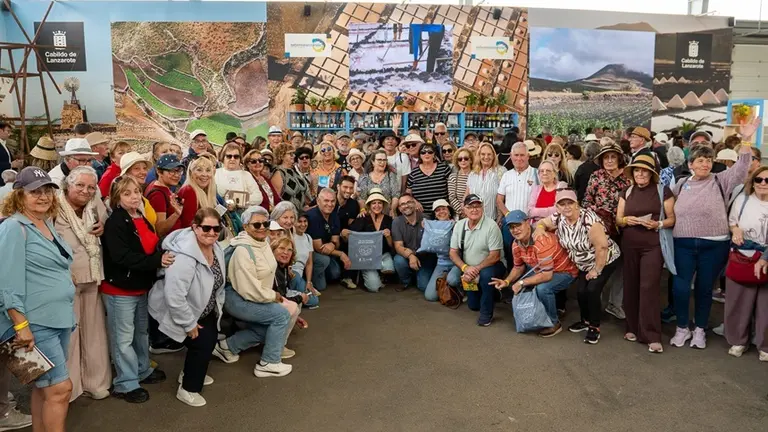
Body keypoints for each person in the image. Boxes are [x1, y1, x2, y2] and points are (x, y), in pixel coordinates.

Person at [0, 167, 74, 431]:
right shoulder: (13, 228)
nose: (42, 197)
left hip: (58, 320)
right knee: (60, 389)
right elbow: (7, 283)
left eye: (47, 191)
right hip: (35, 324)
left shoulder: (45, 224)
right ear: (20, 196)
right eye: (35, 192)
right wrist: (21, 326)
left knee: (44, 388)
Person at [670, 144, 751, 349]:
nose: (705, 164)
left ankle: (699, 329)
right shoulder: (680, 184)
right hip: (683, 244)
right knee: (680, 286)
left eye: (708, 160)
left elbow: (741, 168)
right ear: (690, 164)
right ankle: (681, 327)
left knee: (704, 288)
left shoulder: (720, 180)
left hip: (714, 245)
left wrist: (747, 141)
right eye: (700, 160)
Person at [102, 176, 172, 403]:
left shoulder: (140, 216)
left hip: (140, 285)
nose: (133, 197)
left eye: (135, 192)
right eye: (126, 193)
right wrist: (157, 262)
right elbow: (122, 257)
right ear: (117, 198)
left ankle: (142, 369)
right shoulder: (115, 222)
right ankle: (126, 382)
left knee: (141, 333)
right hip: (120, 288)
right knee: (122, 338)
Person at [148, 208, 225, 407]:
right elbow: (174, 296)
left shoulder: (216, 248)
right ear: (194, 228)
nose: (211, 232)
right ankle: (188, 389)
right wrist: (188, 323)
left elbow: (219, 282)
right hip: (185, 310)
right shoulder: (183, 256)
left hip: (204, 307)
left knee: (208, 341)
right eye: (206, 228)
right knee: (201, 343)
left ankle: (189, 373)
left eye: (216, 228)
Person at [212, 206, 294, 377]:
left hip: (253, 296)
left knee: (270, 329)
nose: (262, 227)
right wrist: (273, 297)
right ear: (245, 227)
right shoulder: (243, 250)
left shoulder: (263, 243)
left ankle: (227, 347)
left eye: (266, 223)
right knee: (281, 316)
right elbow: (248, 288)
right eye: (256, 225)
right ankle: (269, 362)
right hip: (238, 299)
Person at [534, 189, 621, 344]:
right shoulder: (558, 217)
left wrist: (596, 270)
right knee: (581, 291)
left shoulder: (589, 219)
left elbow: (601, 247)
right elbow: (541, 223)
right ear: (557, 206)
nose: (566, 207)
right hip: (582, 262)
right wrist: (540, 230)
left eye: (570, 203)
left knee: (592, 290)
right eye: (562, 204)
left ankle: (594, 327)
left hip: (604, 259)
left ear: (577, 204)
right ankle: (585, 321)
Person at [55, 166, 111, 401]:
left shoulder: (95, 203)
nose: (86, 191)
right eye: (80, 185)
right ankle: (70, 386)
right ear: (68, 185)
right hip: (65, 279)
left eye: (90, 187)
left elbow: (105, 222)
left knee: (94, 331)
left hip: (93, 275)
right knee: (69, 335)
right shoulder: (53, 206)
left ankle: (95, 381)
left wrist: (103, 227)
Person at [615, 154, 675, 353]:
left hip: (653, 245)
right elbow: (618, 219)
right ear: (632, 173)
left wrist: (658, 223)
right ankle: (632, 327)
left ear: (652, 173)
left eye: (644, 171)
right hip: (630, 244)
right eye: (637, 170)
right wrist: (627, 221)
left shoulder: (662, 191)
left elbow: (672, 219)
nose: (640, 173)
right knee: (630, 285)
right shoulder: (627, 190)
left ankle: (651, 335)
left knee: (649, 287)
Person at [490, 210, 578, 337]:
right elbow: (518, 267)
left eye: (518, 225)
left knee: (542, 289)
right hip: (543, 269)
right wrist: (507, 281)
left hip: (565, 271)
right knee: (525, 285)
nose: (515, 230)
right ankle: (542, 314)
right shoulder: (516, 244)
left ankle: (554, 323)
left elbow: (547, 276)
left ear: (527, 222)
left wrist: (521, 282)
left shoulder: (541, 241)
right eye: (511, 227)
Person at [583, 142, 631, 320]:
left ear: (619, 158)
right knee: (599, 263)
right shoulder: (596, 176)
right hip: (599, 228)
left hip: (621, 228)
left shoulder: (627, 178)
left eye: (613, 157)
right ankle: (596, 301)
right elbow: (586, 201)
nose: (609, 160)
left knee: (620, 267)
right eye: (606, 157)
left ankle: (615, 303)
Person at [726, 167, 768, 361]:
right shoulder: (742, 200)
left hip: (766, 257)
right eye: (759, 179)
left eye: (767, 180)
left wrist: (765, 257)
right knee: (739, 301)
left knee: (765, 305)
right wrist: (735, 230)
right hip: (743, 256)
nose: (763, 184)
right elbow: (732, 222)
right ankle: (738, 340)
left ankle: (765, 344)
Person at [447, 194, 506, 326]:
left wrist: (476, 269)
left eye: (478, 206)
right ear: (464, 209)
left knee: (486, 276)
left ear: (482, 207)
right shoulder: (459, 225)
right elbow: (453, 253)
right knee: (473, 306)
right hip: (469, 267)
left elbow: (495, 256)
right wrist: (465, 268)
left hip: (491, 266)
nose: (474, 209)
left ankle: (486, 315)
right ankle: (493, 294)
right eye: (470, 207)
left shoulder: (491, 226)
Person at [271, 202, 319, 308]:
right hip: (274, 274)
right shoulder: (272, 232)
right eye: (285, 217)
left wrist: (309, 281)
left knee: (313, 298)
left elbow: (307, 261)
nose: (289, 221)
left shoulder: (290, 231)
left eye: (292, 217)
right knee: (313, 301)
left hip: (289, 272)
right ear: (277, 217)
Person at [345, 190, 395, 292]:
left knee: (389, 268)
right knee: (374, 287)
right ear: (369, 205)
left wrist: (388, 236)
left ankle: (379, 274)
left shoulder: (389, 220)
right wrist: (344, 233)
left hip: (383, 255)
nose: (377, 206)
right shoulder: (362, 218)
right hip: (367, 258)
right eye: (374, 203)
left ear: (383, 205)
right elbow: (351, 237)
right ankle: (367, 274)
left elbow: (391, 245)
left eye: (379, 203)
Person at [307, 188, 351, 290]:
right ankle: (308, 278)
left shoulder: (334, 216)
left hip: (328, 251)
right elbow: (319, 248)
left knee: (335, 274)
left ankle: (321, 273)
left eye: (332, 201)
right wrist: (341, 254)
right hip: (311, 253)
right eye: (326, 201)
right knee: (324, 262)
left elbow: (336, 242)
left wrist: (332, 244)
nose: (330, 204)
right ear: (318, 201)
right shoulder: (313, 216)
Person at [392, 193, 435, 293]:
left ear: (415, 204)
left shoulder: (426, 219)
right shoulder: (397, 222)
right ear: (399, 208)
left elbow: (433, 243)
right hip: (406, 256)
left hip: (425, 257)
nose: (406, 206)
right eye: (402, 204)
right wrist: (411, 256)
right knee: (398, 260)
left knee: (423, 287)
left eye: (409, 202)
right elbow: (398, 246)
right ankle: (405, 281)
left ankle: (418, 276)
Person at [270, 237, 304, 339]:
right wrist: (300, 298)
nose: (286, 252)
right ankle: (279, 345)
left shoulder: (284, 267)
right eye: (281, 248)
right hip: (266, 305)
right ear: (273, 250)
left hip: (275, 301)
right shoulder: (273, 268)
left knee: (297, 302)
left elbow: (283, 295)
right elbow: (280, 300)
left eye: (289, 250)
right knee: (295, 305)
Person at [423, 200, 456, 301]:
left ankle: (459, 290)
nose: (441, 212)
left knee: (453, 280)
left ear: (449, 211)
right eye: (437, 210)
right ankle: (448, 289)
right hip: (441, 263)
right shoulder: (432, 227)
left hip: (457, 263)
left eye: (444, 209)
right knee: (430, 296)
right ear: (435, 214)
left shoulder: (458, 225)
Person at [144, 154, 185, 237]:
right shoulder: (158, 195)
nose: (177, 175)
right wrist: (176, 214)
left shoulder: (162, 187)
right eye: (172, 171)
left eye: (179, 171)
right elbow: (159, 230)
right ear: (159, 172)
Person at [406, 143, 451, 218]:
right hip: (422, 215)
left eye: (430, 152)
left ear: (434, 154)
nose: (426, 154)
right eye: (423, 152)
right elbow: (408, 193)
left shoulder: (444, 168)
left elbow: (451, 190)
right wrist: (414, 202)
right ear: (420, 155)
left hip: (442, 214)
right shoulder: (414, 173)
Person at [466, 143, 507, 222]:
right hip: (474, 219)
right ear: (479, 156)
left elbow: (504, 198)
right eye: (483, 154)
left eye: (489, 154)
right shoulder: (472, 173)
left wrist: (500, 217)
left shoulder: (501, 171)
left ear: (493, 156)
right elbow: (467, 196)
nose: (486, 157)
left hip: (493, 219)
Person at [215, 143, 262, 211]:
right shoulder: (215, 173)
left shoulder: (246, 175)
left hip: (242, 215)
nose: (232, 159)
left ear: (240, 159)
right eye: (229, 156)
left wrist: (236, 200)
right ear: (223, 157)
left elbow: (258, 197)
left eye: (236, 156)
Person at [177, 157, 218, 229]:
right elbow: (188, 226)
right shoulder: (189, 191)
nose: (204, 174)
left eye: (208, 170)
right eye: (199, 170)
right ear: (191, 173)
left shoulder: (205, 191)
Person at [357, 150, 400, 216]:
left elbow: (395, 195)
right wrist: (362, 210)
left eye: (384, 160)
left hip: (388, 213)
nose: (382, 162)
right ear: (373, 162)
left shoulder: (391, 175)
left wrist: (393, 209)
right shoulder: (364, 177)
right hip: (369, 214)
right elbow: (362, 197)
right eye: (379, 160)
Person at [271, 145, 311, 213]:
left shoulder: (294, 171)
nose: (293, 156)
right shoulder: (279, 173)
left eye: (293, 153)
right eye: (290, 154)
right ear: (282, 156)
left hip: (301, 213)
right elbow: (276, 199)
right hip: (287, 215)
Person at [448, 147, 473, 218]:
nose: (463, 161)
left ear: (470, 160)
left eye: (466, 158)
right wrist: (463, 211)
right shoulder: (453, 177)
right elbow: (452, 197)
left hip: (475, 212)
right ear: (457, 161)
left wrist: (471, 212)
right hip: (460, 216)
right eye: (460, 159)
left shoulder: (476, 176)